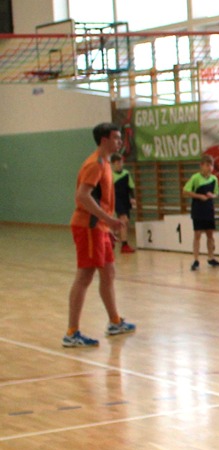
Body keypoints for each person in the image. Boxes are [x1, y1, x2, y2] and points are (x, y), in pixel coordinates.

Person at [64, 122, 136, 347]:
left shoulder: (105, 163)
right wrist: (108, 220)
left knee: (109, 272)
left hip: (99, 228)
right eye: (116, 138)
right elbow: (83, 196)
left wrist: (106, 226)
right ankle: (72, 333)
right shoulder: (94, 164)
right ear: (104, 140)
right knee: (85, 276)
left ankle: (115, 322)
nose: (120, 141)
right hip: (88, 226)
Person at [184, 155, 219, 271]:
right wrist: (199, 196)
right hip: (198, 209)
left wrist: (212, 195)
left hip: (209, 209)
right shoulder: (195, 178)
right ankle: (196, 260)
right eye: (207, 165)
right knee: (197, 234)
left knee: (210, 234)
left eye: (211, 165)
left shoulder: (214, 179)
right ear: (201, 166)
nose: (210, 168)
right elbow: (185, 191)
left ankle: (211, 258)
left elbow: (216, 193)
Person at [109, 153, 136, 254]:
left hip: (125, 200)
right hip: (116, 200)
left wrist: (132, 197)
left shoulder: (126, 173)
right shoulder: (110, 176)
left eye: (120, 163)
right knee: (123, 220)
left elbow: (130, 187)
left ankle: (113, 236)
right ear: (112, 164)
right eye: (117, 163)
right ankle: (124, 245)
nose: (119, 165)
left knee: (125, 221)